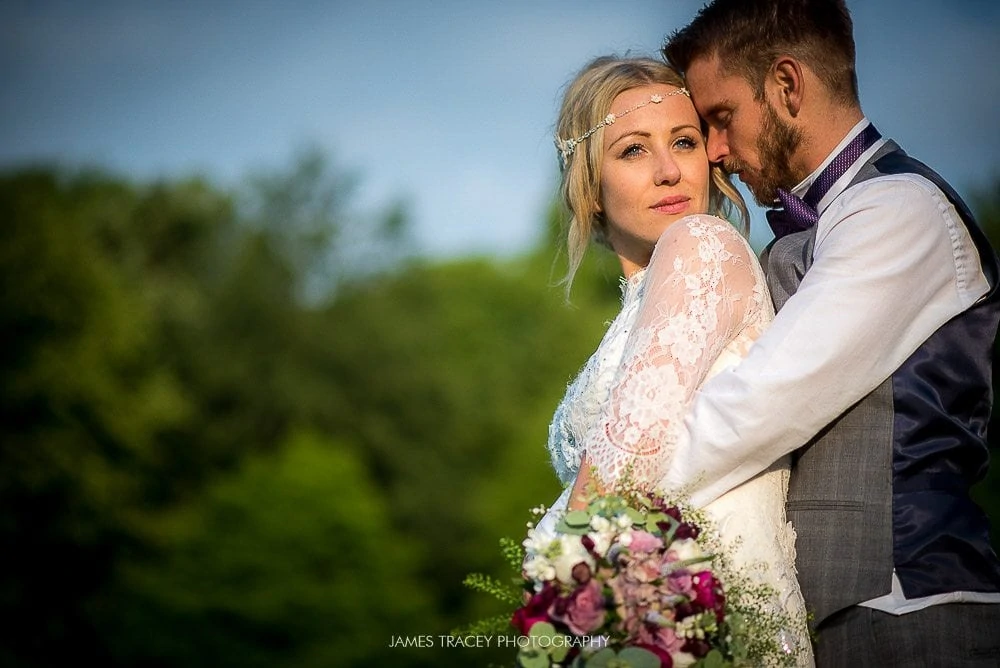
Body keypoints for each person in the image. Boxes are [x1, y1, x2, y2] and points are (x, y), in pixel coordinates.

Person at [658, 1, 1000, 665]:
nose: (717, 152)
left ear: (787, 85)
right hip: (830, 620)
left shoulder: (901, 209)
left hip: (910, 611)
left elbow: (760, 406)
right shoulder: (826, 222)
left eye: (721, 118)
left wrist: (606, 506)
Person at [540, 55, 813, 665]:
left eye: (684, 142)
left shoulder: (702, 244)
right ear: (590, 183)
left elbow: (629, 454)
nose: (668, 171)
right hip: (641, 620)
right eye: (634, 150)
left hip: (708, 619)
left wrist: (555, 607)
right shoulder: (633, 313)